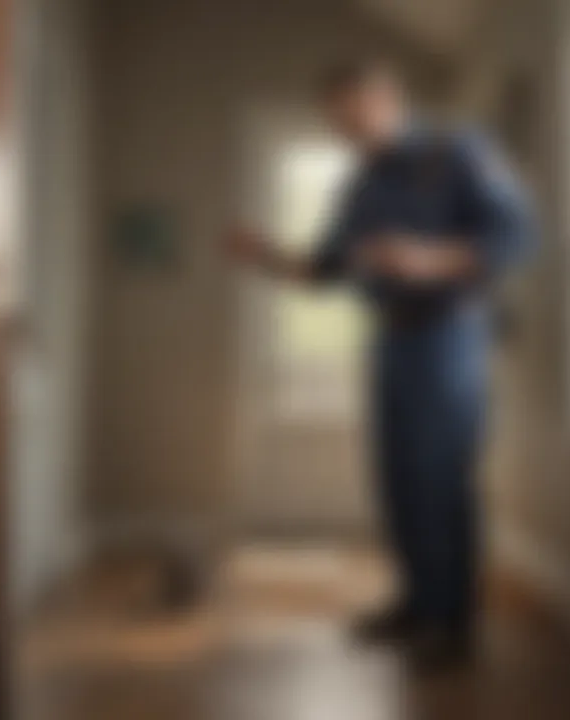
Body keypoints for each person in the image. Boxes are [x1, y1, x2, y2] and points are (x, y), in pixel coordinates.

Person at [223, 58, 537, 674]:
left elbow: (518, 233)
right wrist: (264, 256)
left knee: (440, 479)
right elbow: (324, 271)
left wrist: (429, 259)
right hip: (390, 341)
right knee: (396, 480)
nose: (346, 131)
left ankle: (453, 625)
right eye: (336, 123)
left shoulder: (457, 151)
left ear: (388, 99)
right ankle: (417, 603)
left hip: (448, 335)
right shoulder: (360, 188)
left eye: (353, 115)